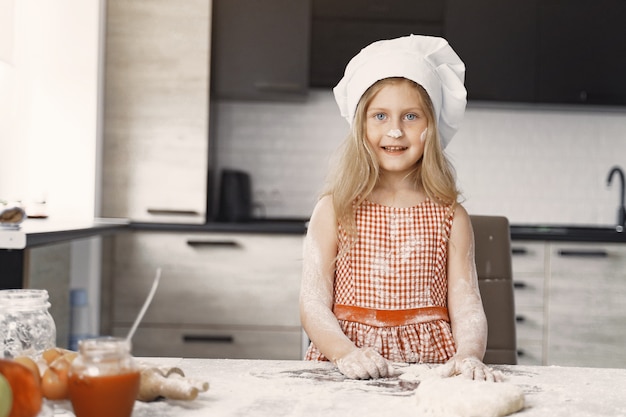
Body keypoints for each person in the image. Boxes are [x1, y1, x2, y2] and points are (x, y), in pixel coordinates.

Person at [299, 34, 501, 381]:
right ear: (360, 125)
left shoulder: (451, 216)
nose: (395, 131)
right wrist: (345, 353)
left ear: (431, 129)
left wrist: (468, 355)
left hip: (430, 369)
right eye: (380, 115)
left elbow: (468, 308)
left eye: (410, 116)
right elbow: (313, 303)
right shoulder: (335, 208)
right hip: (346, 367)